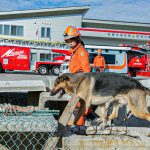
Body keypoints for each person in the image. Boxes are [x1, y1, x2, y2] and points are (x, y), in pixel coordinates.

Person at [63, 25, 91, 126]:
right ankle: (78, 124)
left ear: (77, 38)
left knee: (79, 107)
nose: (69, 42)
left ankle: (79, 128)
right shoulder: (75, 52)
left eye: (71, 40)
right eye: (67, 40)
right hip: (75, 82)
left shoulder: (81, 52)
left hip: (80, 83)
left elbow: (87, 70)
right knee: (76, 106)